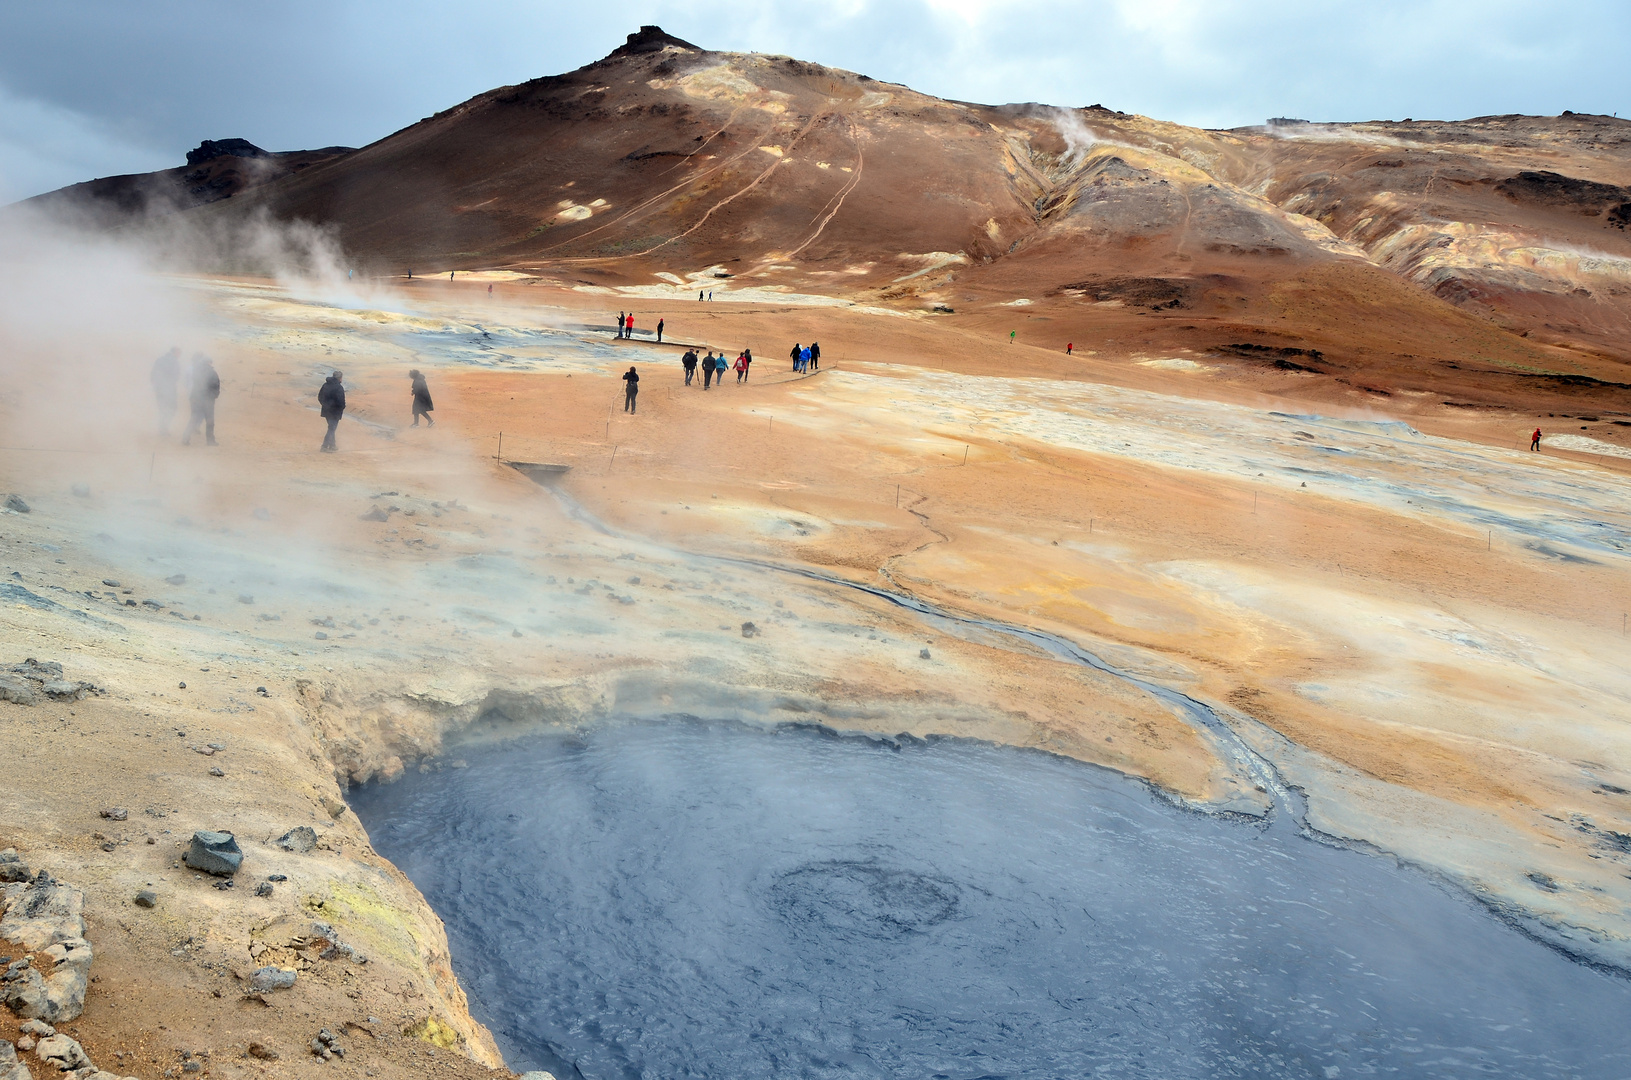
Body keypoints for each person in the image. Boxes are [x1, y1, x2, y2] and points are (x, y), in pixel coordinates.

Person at [181, 353, 220, 446]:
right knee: (210, 421)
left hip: (195, 398)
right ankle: (210, 441)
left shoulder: (196, 371)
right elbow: (216, 386)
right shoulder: (212, 372)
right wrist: (215, 395)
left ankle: (185, 438)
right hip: (208, 400)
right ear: (209, 362)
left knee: (194, 418)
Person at [150, 346, 180, 435]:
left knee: (162, 408)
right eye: (179, 353)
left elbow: (152, 374)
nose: (179, 355)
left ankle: (162, 428)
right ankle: (164, 428)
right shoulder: (174, 361)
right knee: (172, 408)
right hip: (169, 389)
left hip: (158, 389)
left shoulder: (159, 360)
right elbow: (176, 376)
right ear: (175, 352)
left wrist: (155, 386)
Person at [318, 370, 346, 452]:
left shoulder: (325, 385)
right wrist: (341, 408)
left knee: (331, 427)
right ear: (340, 378)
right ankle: (324, 446)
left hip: (326, 411)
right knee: (332, 428)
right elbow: (341, 402)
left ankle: (332, 445)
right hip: (335, 412)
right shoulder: (339, 387)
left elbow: (320, 397)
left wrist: (324, 405)